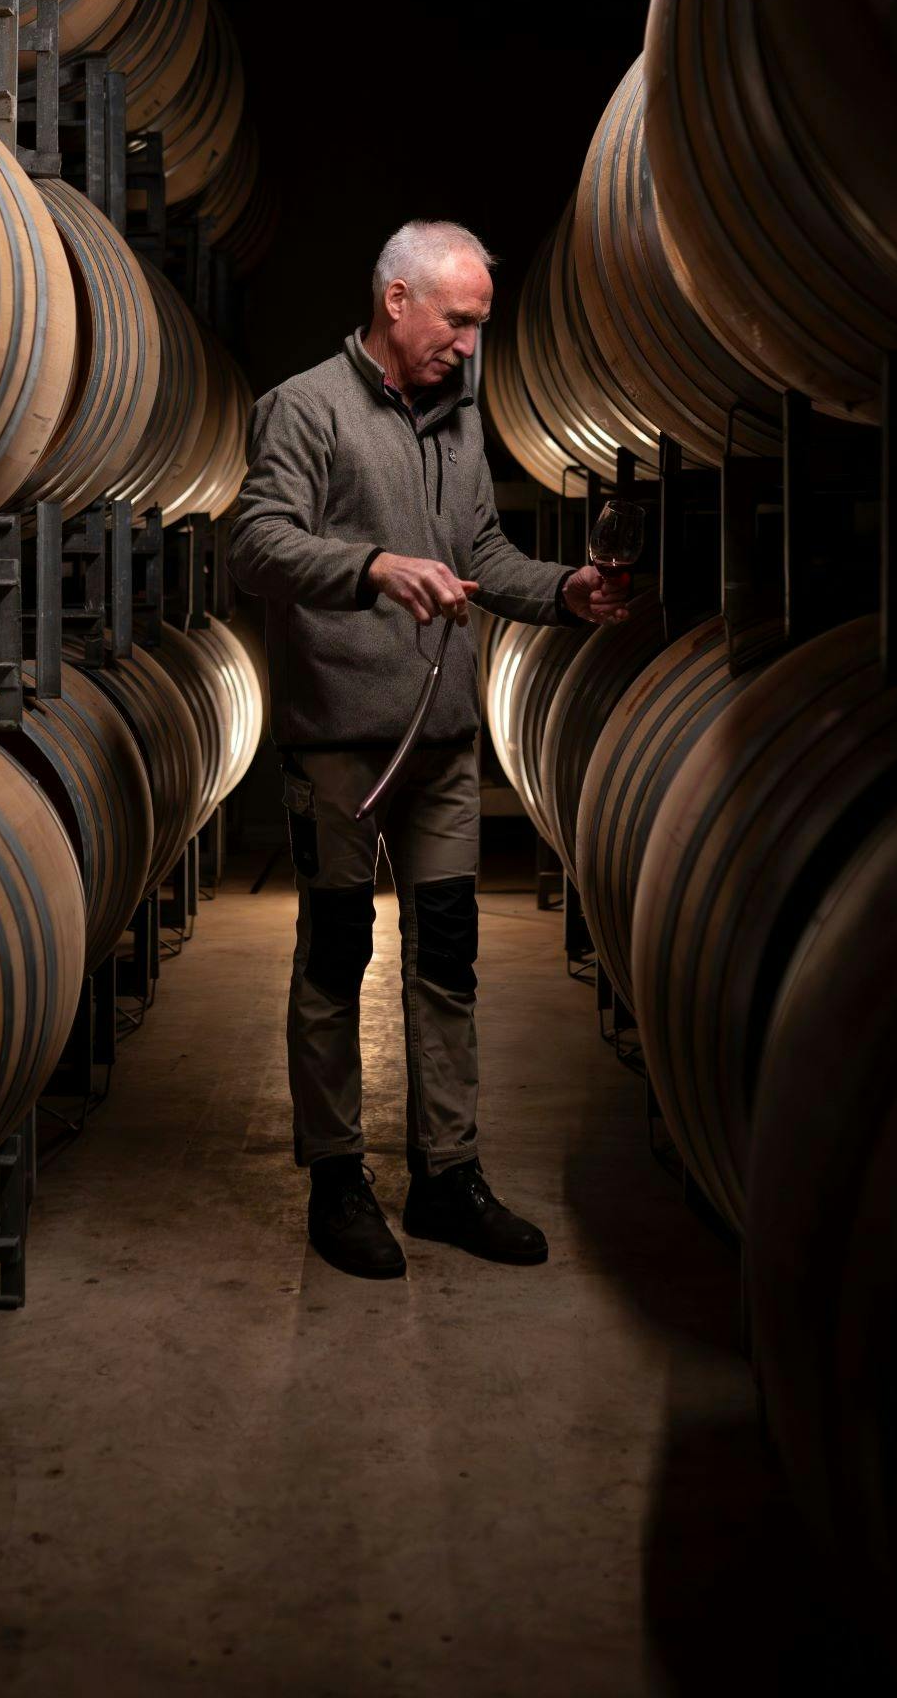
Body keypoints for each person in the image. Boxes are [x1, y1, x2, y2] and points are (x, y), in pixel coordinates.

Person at [228, 219, 627, 1280]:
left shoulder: (457, 418)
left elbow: (482, 551)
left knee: (446, 960)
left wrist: (564, 594)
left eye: (480, 325)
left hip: (442, 744)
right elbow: (258, 542)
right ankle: (335, 1179)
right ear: (396, 301)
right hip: (341, 749)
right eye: (458, 321)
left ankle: (446, 1177)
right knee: (334, 958)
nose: (470, 343)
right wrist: (370, 568)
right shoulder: (304, 408)